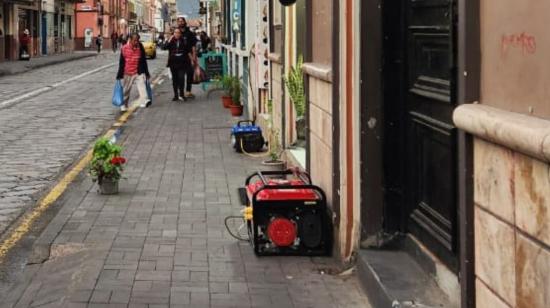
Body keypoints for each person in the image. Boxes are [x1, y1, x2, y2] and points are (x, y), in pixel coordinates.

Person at [116, 33, 151, 112]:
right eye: (135, 40)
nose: (136, 42)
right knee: (126, 90)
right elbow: (121, 62)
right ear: (130, 40)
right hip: (127, 72)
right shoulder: (124, 48)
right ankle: (124, 104)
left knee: (142, 85)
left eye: (137, 40)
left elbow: (143, 61)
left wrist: (147, 73)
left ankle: (144, 100)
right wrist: (119, 74)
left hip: (138, 71)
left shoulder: (140, 47)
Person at [166, 28, 191, 102]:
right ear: (174, 33)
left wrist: (192, 60)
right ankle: (176, 95)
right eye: (175, 33)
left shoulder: (184, 41)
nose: (177, 34)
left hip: (182, 62)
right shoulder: (171, 41)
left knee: (181, 78)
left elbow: (188, 51)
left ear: (180, 34)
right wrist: (169, 39)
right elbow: (164, 47)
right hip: (173, 62)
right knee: (175, 79)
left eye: (178, 33)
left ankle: (182, 94)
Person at [177, 17, 198, 99]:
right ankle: (180, 92)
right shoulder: (176, 33)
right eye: (179, 21)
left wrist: (194, 57)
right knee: (180, 76)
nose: (180, 22)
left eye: (182, 21)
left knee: (190, 74)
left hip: (189, 58)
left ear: (184, 22)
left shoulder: (189, 33)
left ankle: (188, 91)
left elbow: (193, 46)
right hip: (178, 58)